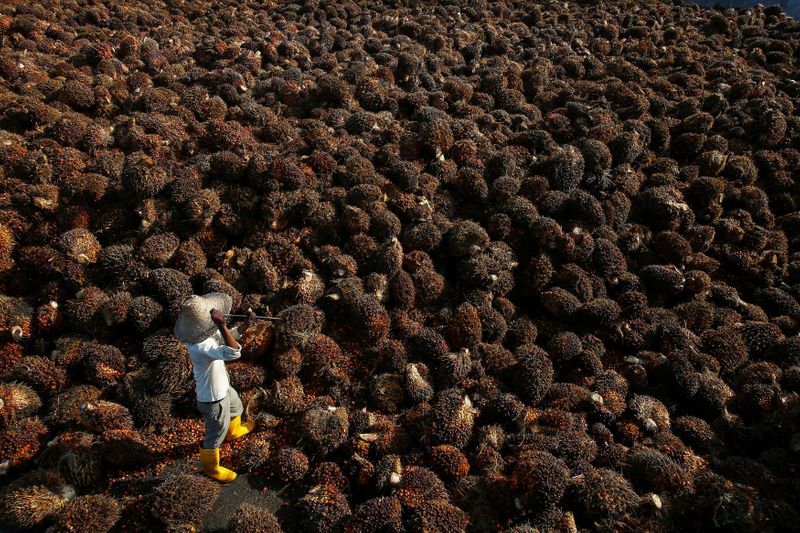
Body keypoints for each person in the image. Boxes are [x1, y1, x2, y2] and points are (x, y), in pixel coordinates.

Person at [173, 292, 257, 483]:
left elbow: (225, 338)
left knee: (237, 407)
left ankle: (233, 432)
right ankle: (212, 468)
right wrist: (222, 325)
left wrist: (245, 326)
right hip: (213, 400)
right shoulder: (198, 346)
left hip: (224, 388)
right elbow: (233, 352)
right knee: (215, 434)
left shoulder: (207, 334)